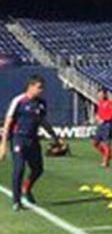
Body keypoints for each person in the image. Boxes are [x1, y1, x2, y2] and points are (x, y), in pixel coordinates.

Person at [0, 75, 65, 211]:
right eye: (39, 87)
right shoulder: (19, 101)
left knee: (38, 169)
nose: (41, 90)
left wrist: (54, 137)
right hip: (19, 138)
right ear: (31, 86)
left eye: (42, 88)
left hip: (33, 139)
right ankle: (16, 201)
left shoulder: (41, 103)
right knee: (19, 169)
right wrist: (3, 145)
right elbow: (8, 121)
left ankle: (27, 188)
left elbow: (43, 121)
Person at [91, 86, 112, 168]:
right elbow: (99, 113)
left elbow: (111, 115)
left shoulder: (110, 103)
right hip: (100, 125)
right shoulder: (100, 103)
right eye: (99, 94)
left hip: (107, 125)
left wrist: (103, 119)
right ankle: (107, 155)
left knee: (106, 144)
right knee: (95, 143)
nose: (99, 95)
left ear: (105, 94)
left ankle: (105, 162)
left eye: (101, 93)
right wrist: (97, 117)